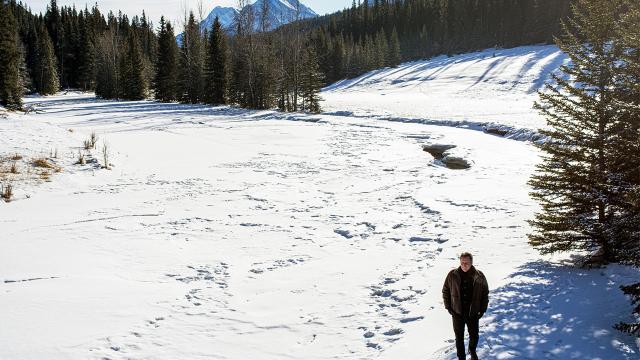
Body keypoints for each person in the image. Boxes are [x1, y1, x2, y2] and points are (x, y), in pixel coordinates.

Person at [442, 252, 489, 360]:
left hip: (473, 313)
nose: (464, 265)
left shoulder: (479, 275)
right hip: (457, 313)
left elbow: (485, 293)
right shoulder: (452, 275)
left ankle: (472, 350)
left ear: (471, 262)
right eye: (462, 262)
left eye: (466, 263)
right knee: (459, 338)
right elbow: (445, 291)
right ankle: (461, 357)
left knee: (474, 336)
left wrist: (482, 310)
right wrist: (449, 307)